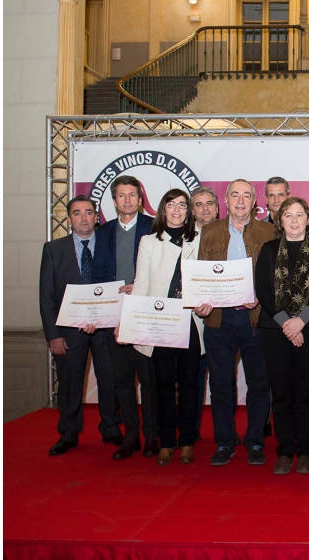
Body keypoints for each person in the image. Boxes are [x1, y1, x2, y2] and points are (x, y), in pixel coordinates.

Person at [196, 179, 276, 466]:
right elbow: (201, 274)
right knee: (220, 385)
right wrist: (201, 303)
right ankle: (225, 442)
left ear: (255, 203)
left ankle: (255, 440)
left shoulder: (269, 231)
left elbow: (274, 279)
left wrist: (261, 299)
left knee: (258, 383)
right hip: (218, 319)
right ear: (226, 201)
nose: (240, 200)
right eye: (235, 195)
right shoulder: (210, 231)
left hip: (255, 319)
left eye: (246, 195)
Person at [255, 197, 309, 474]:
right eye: (288, 215)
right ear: (280, 220)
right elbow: (262, 290)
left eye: (300, 215)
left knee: (307, 392)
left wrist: (300, 321)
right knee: (282, 393)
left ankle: (305, 451)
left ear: (308, 220)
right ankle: (285, 449)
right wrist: (287, 324)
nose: (294, 220)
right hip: (274, 329)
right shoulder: (268, 250)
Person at [126, 189, 205, 466]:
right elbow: (141, 286)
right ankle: (166, 441)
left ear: (188, 211)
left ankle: (186, 442)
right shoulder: (149, 242)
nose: (177, 210)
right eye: (171, 204)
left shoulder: (199, 239)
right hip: (160, 321)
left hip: (190, 321)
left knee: (188, 385)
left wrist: (205, 302)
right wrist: (129, 324)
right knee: (162, 385)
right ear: (163, 209)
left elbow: (206, 282)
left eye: (182, 205)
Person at [39, 196, 122, 455]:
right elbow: (46, 296)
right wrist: (52, 335)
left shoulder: (110, 245)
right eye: (77, 213)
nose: (84, 218)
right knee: (69, 382)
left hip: (106, 327)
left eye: (88, 212)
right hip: (68, 330)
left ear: (96, 217)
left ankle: (111, 428)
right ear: (69, 218)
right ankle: (69, 432)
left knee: (110, 379)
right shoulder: (53, 249)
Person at [92, 175, 158, 459]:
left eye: (132, 195)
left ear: (140, 199)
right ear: (114, 200)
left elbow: (165, 270)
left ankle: (153, 437)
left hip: (144, 315)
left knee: (149, 381)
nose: (127, 200)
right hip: (112, 317)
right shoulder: (103, 232)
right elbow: (96, 274)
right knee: (122, 381)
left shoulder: (154, 227)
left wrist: (141, 287)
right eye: (122, 195)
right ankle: (131, 436)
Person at [190, 187, 219, 436]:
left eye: (209, 203)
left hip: (224, 318)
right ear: (192, 210)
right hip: (190, 318)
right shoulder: (183, 239)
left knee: (222, 379)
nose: (205, 209)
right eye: (199, 205)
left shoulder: (229, 234)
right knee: (194, 376)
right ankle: (193, 428)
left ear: (217, 208)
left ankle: (226, 431)